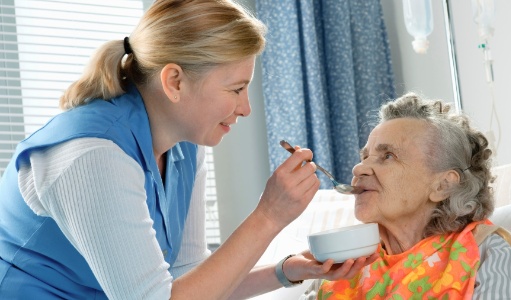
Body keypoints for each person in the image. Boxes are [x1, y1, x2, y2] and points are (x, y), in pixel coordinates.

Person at [0, 0, 377, 299]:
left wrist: (287, 270)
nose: (245, 108)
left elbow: (190, 282)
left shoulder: (184, 151)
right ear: (175, 81)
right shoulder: (93, 155)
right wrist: (268, 216)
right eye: (235, 89)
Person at [302, 93, 511, 299]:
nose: (358, 168)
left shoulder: (485, 252)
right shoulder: (342, 262)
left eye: (388, 155)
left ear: (442, 185)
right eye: (365, 156)